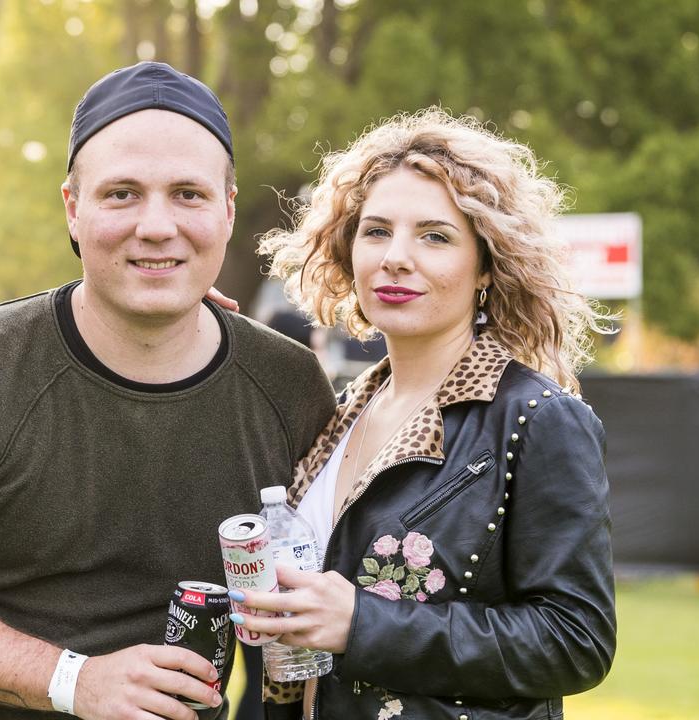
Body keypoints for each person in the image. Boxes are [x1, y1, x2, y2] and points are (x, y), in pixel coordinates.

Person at [0, 61, 334, 720]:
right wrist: (76, 680)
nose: (157, 225)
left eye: (188, 194)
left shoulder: (290, 384)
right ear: (74, 210)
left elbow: (298, 617)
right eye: (122, 194)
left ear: (227, 210)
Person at [234, 108, 617, 719]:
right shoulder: (339, 414)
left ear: (487, 265)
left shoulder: (539, 418)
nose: (396, 258)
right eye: (376, 231)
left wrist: (364, 624)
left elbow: (577, 640)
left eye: (435, 236)